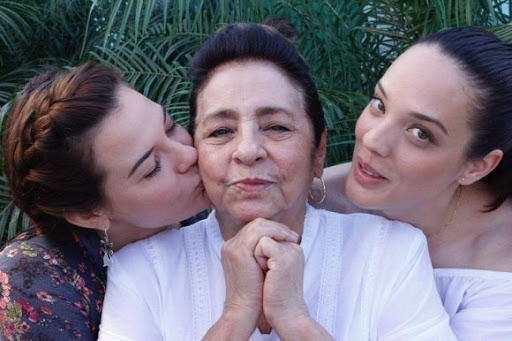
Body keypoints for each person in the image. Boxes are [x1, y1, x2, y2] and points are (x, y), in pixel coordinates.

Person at [99, 20, 456, 340]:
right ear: (197, 150)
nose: (248, 150)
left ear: (319, 152)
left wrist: (296, 320)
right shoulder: (144, 271)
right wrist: (236, 313)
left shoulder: (390, 252)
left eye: (277, 127)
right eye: (221, 131)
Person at [318, 26, 512, 340]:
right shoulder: (328, 195)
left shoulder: (500, 278)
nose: (372, 139)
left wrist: (295, 321)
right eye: (379, 105)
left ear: (477, 167)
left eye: (420, 133)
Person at [0, 63, 210, 340]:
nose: (188, 154)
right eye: (152, 168)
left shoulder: (213, 210)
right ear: (88, 213)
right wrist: (237, 312)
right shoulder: (31, 279)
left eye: (170, 127)